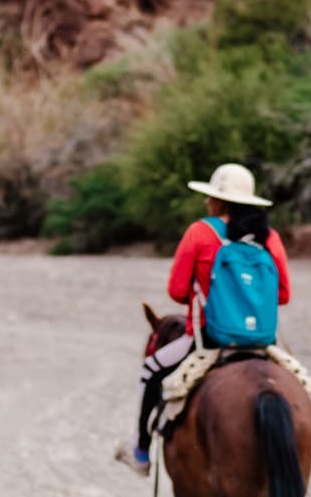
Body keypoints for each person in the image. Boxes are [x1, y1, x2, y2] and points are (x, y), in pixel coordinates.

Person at [124, 163, 292, 476]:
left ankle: (141, 451)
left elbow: (176, 290)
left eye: (210, 197)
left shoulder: (201, 232)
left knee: (151, 370)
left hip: (208, 337)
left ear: (220, 202)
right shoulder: (270, 239)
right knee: (297, 387)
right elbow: (282, 295)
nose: (206, 203)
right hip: (262, 340)